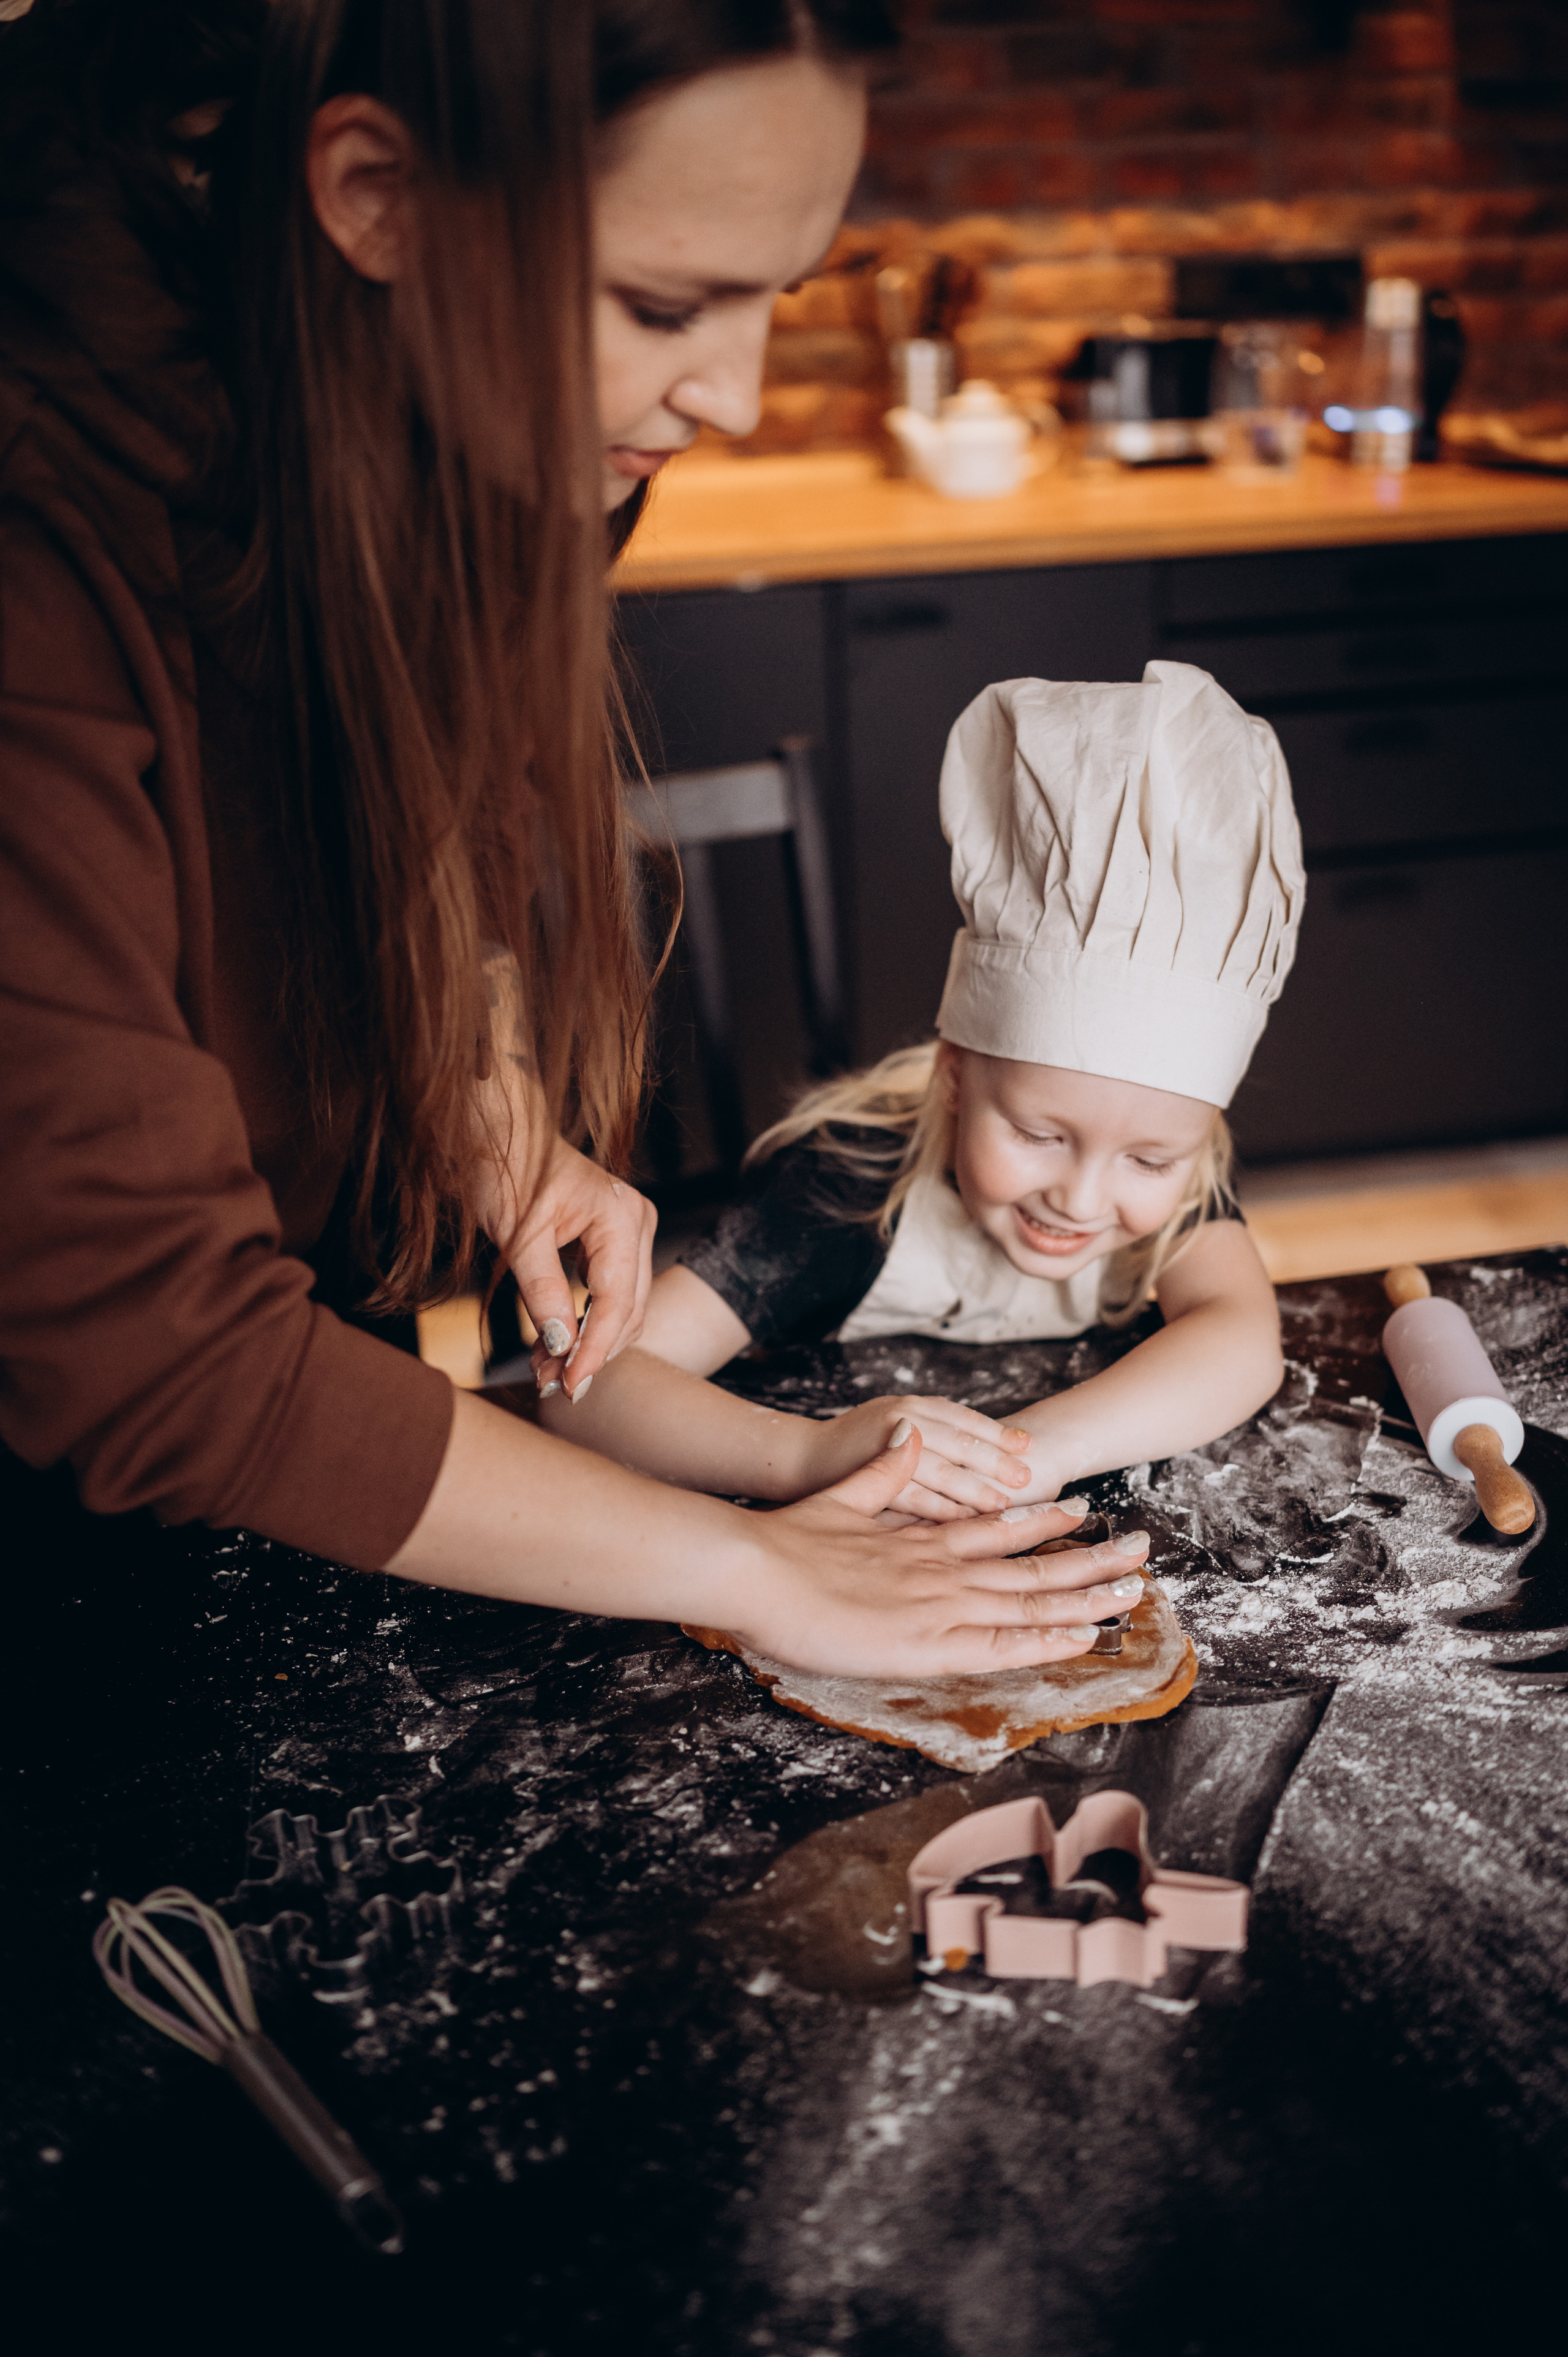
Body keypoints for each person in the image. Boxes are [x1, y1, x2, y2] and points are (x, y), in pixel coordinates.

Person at [1, 0, 1134, 1677]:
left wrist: (485, 1085)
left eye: (776, 296)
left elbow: (404, 800)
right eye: (665, 303)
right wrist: (763, 1574)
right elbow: (143, 1344)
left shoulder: (443, 398)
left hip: (284, 1428)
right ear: (376, 194)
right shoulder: (41, 521)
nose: (734, 395)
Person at [541, 661, 1305, 1518]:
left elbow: (1240, 1341)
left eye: (1151, 1159)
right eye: (1039, 1136)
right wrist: (809, 1451)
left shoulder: (1175, 1170)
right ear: (954, 1076)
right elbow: (588, 1389)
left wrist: (1030, 1459)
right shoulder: (846, 1187)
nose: (1085, 1196)